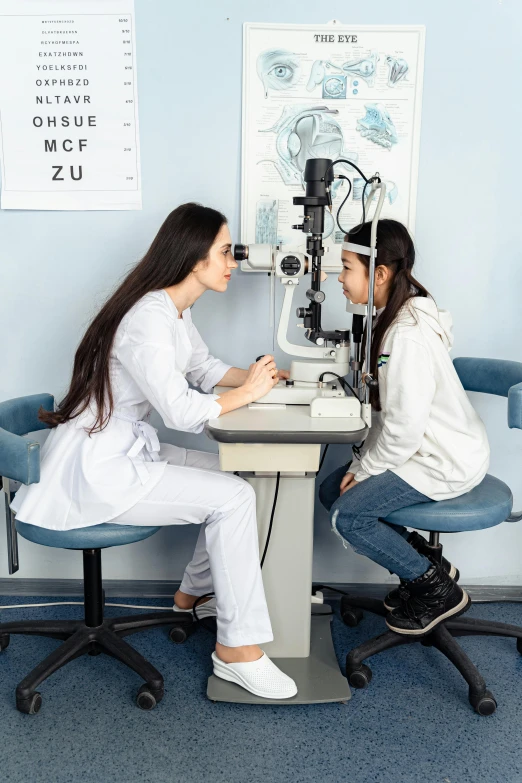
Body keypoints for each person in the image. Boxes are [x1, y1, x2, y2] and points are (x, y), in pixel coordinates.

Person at [11, 202, 297, 700]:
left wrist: (268, 379)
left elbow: (204, 369)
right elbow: (182, 411)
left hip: (124, 448)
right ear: (193, 257)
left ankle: (191, 595)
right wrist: (246, 396)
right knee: (232, 499)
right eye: (226, 253)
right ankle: (237, 651)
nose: (234, 263)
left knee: (241, 481)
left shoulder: (172, 308)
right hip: (99, 467)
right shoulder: (147, 318)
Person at [319, 219, 489, 636]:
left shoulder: (405, 335)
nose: (338, 278)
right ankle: (429, 566)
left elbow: (405, 428)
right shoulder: (396, 315)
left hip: (441, 458)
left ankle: (435, 591)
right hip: (421, 447)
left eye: (345, 267)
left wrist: (365, 469)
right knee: (330, 488)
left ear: (379, 274)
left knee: (347, 516)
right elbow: (393, 416)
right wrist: (361, 464)